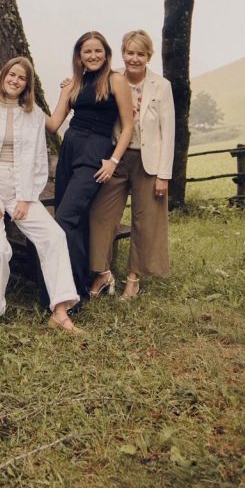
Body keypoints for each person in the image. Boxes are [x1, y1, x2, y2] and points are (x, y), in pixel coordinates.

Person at [0, 56, 83, 334]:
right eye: (12, 75)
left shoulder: (34, 114)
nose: (15, 80)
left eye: (22, 78)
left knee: (54, 236)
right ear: (4, 76)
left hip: (21, 192)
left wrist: (27, 199)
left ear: (27, 84)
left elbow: (40, 160)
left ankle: (60, 310)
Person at [46, 31, 133, 301]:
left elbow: (128, 127)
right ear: (79, 56)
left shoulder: (116, 80)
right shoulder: (74, 83)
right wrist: (21, 104)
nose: (93, 55)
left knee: (65, 219)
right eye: (87, 51)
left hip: (95, 151)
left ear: (106, 54)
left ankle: (73, 290)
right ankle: (84, 278)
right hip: (70, 148)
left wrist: (113, 160)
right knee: (73, 217)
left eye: (98, 51)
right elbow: (53, 124)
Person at [88, 30, 175, 300]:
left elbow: (168, 132)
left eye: (140, 54)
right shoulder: (111, 77)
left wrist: (163, 175)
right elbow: (86, 90)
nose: (134, 59)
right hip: (116, 157)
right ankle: (102, 272)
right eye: (129, 53)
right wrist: (69, 84)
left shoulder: (161, 86)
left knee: (145, 221)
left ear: (149, 56)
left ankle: (133, 278)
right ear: (122, 53)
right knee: (100, 215)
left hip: (149, 163)